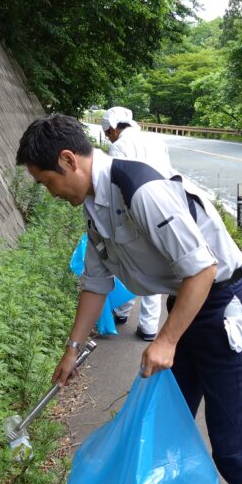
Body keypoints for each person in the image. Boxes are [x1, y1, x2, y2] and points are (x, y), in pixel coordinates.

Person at [16, 113, 242, 484]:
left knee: (234, 449)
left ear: (69, 161)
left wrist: (167, 340)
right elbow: (95, 284)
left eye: (48, 181)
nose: (49, 192)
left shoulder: (141, 191)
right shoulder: (93, 207)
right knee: (160, 431)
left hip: (222, 309)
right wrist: (70, 351)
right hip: (186, 306)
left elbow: (203, 269)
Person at [100, 106, 170, 341]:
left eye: (108, 132)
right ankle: (149, 327)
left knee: (129, 263)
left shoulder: (119, 146)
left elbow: (115, 185)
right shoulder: (155, 140)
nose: (109, 137)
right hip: (165, 209)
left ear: (112, 127)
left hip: (134, 210)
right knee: (158, 266)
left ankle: (122, 311)